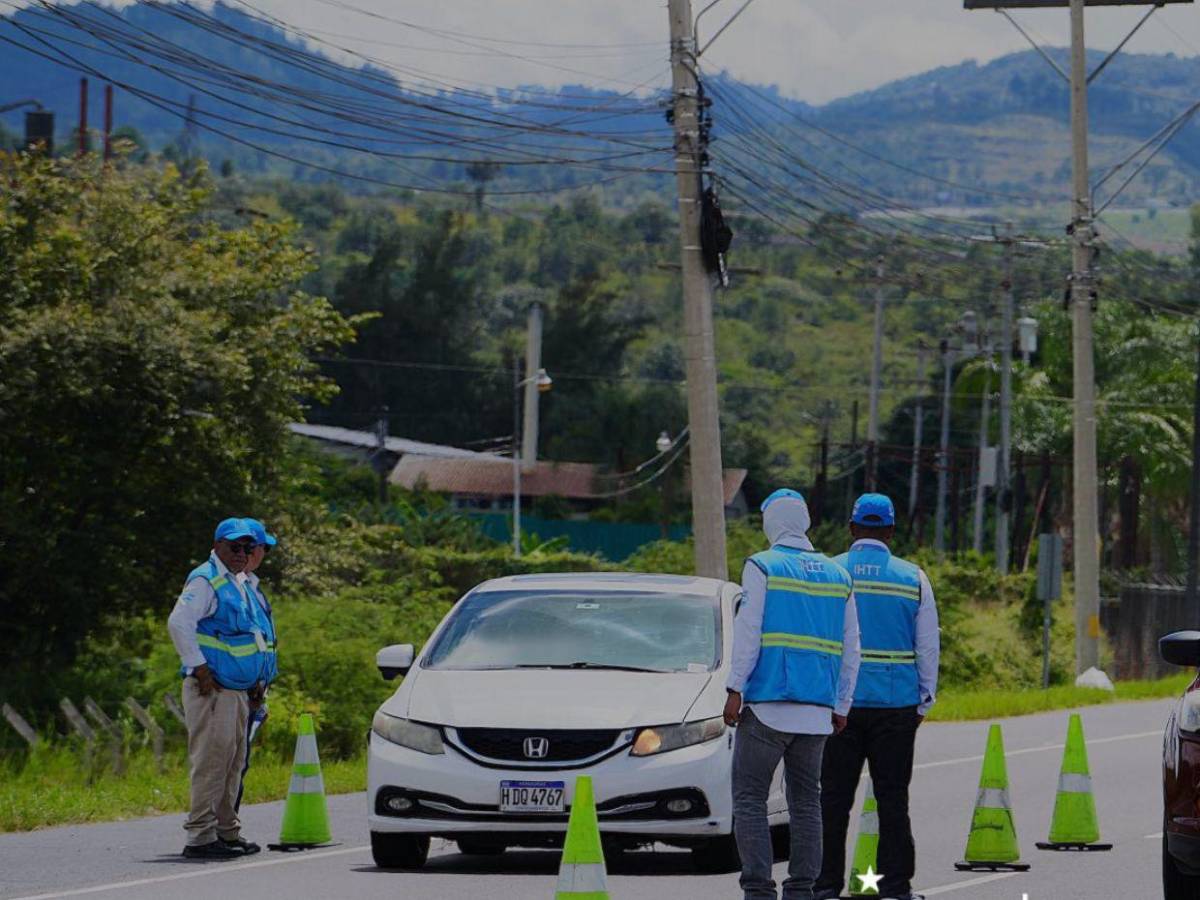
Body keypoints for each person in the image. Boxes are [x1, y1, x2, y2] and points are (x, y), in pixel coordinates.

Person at [724, 488, 861, 900]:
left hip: (767, 707)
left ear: (771, 523)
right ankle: (801, 889)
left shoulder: (763, 566)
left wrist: (734, 688)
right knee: (807, 804)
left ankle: (759, 890)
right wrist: (842, 704)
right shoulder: (840, 575)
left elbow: (749, 633)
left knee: (750, 800)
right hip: (817, 711)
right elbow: (852, 646)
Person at [814, 493, 940, 900]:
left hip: (839, 707)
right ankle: (895, 888)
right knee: (892, 799)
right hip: (896, 706)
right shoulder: (913, 577)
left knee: (831, 801)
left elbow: (816, 640)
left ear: (851, 529)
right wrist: (924, 700)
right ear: (890, 531)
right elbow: (927, 647)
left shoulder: (829, 572)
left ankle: (825, 886)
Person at [167, 518, 268, 859]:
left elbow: (250, 636)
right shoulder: (206, 579)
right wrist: (199, 667)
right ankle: (200, 837)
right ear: (218, 546)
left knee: (232, 763)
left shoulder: (237, 582)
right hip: (212, 689)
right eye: (235, 547)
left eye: (248, 548)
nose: (242, 554)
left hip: (237, 689)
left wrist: (255, 681)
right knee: (212, 762)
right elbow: (179, 622)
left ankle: (226, 832)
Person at [234, 518, 279, 812]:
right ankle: (220, 828)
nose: (263, 554)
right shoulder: (235, 586)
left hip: (254, 688)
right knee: (231, 761)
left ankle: (228, 825)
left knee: (240, 760)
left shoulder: (252, 586)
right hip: (238, 685)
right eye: (262, 547)